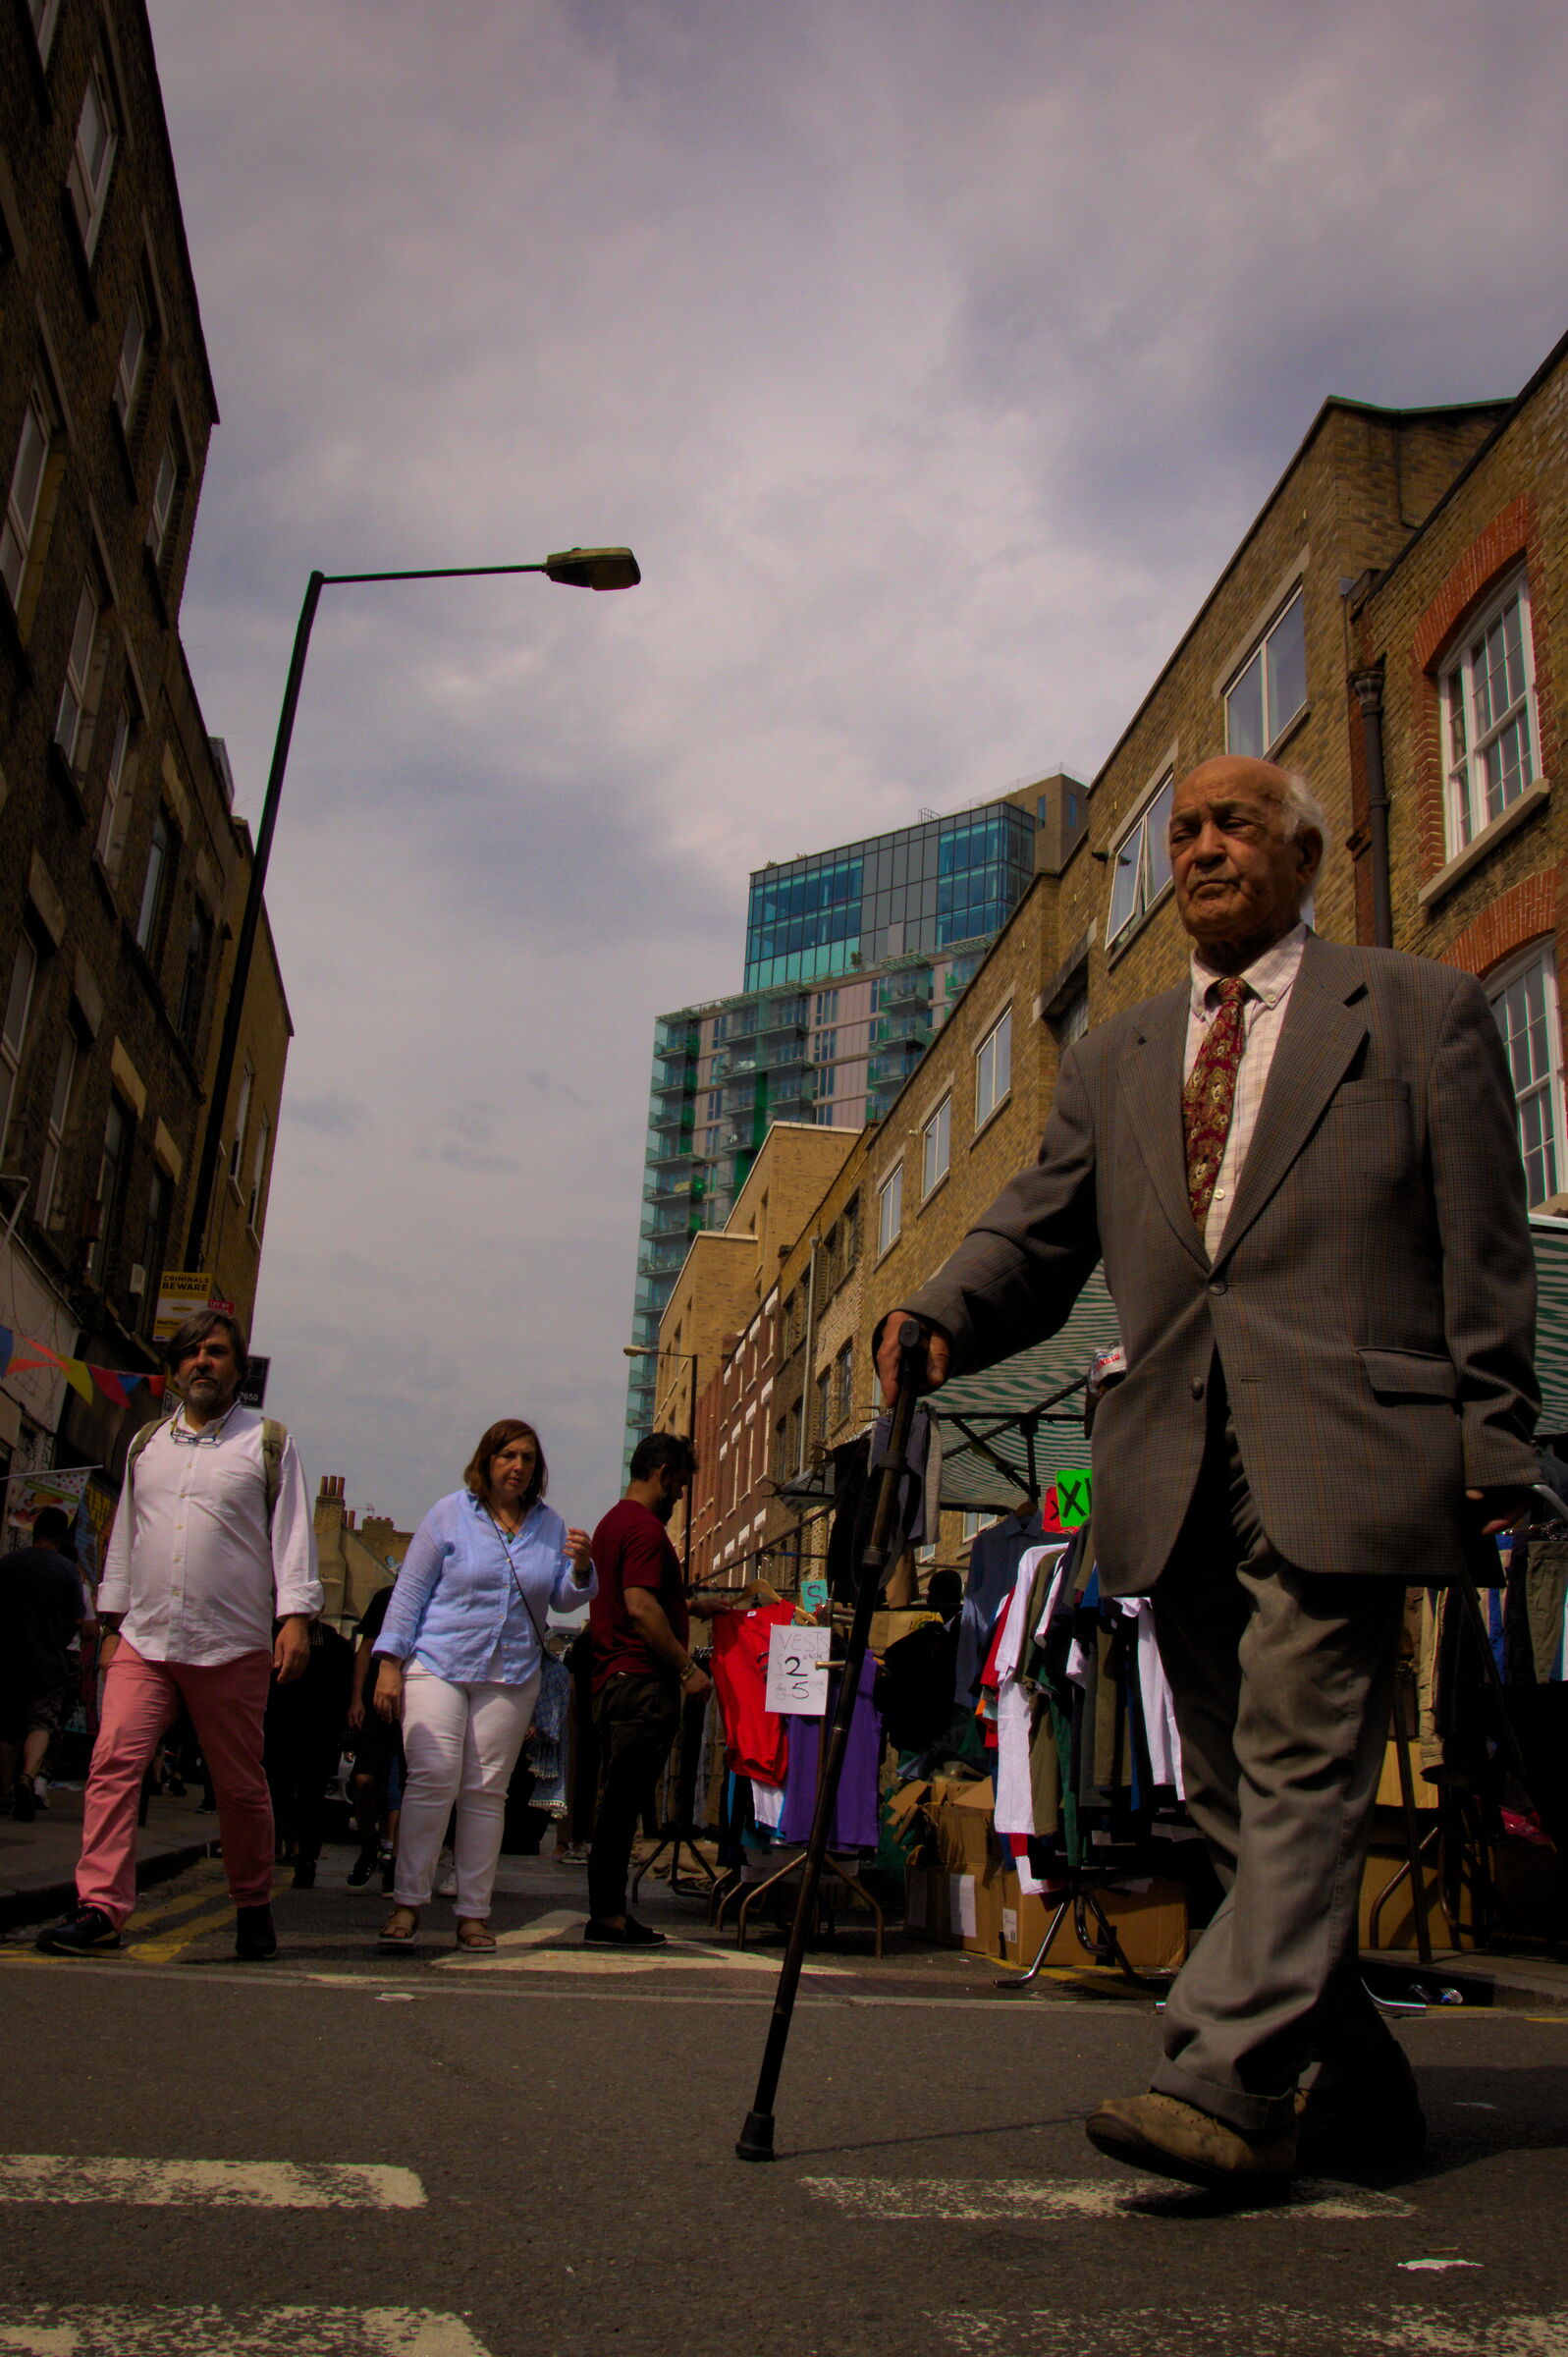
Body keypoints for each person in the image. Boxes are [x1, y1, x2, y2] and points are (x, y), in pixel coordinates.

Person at [876, 753, 1538, 2191]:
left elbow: (1486, 1243)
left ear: (1302, 856)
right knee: (1237, 1792)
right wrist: (937, 1309)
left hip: (1348, 1439)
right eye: (1183, 832)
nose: (1203, 849)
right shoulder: (1115, 1055)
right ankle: (1354, 2078)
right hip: (1167, 1452)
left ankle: (1222, 2076)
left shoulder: (1416, 1009)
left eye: (1236, 825)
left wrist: (1495, 1441)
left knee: (1301, 1765)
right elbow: (1040, 1232)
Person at [36, 1309, 321, 1961]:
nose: (202, 1363)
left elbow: (290, 1537)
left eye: (216, 1353)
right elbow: (126, 1543)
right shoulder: (145, 1445)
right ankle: (101, 1908)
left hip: (231, 1642)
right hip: (146, 1637)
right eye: (191, 1353)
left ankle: (252, 1906)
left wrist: (296, 1617)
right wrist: (110, 1625)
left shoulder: (267, 1443)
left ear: (237, 1368)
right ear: (174, 1368)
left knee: (239, 1783)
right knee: (112, 1764)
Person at [371, 1419, 594, 1950]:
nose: (518, 1467)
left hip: (512, 1673)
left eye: (528, 1460)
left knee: (486, 1794)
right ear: (487, 1460)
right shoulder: (449, 1513)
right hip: (439, 1662)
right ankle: (407, 1904)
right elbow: (409, 1593)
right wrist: (387, 1661)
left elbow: (562, 1598)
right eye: (508, 1456)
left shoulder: (548, 1524)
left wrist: (582, 1568)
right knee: (433, 1778)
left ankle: (473, 1913)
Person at [586, 1432, 747, 1946]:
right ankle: (608, 1916)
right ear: (660, 1473)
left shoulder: (612, 1523)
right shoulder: (645, 1531)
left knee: (618, 1801)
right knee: (623, 1803)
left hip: (615, 1681)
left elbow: (639, 1597)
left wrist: (692, 1606)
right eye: (678, 1484)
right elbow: (639, 1605)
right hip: (642, 1686)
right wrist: (686, 1670)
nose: (679, 1497)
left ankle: (606, 1912)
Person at [0, 1507, 87, 1821]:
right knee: (41, 1723)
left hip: (9, 1658)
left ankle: (5, 1792)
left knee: (8, 1726)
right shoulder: (67, 1572)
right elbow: (79, 1618)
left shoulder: (10, 1562)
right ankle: (27, 1776)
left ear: (35, 1530)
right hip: (50, 1659)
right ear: (63, 1535)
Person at [263, 1617, 353, 1888]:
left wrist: (342, 1738)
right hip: (278, 1731)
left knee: (310, 1801)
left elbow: (344, 1692)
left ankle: (306, 1860)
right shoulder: (272, 1636)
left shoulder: (335, 1645)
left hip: (318, 1735)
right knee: (274, 1795)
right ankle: (270, 1853)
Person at [347, 1580, 403, 1890]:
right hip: (376, 1703)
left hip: (414, 1705)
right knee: (363, 1780)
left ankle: (396, 1862)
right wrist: (356, 1699)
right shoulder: (387, 1597)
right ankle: (368, 1845)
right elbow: (366, 1649)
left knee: (407, 1791)